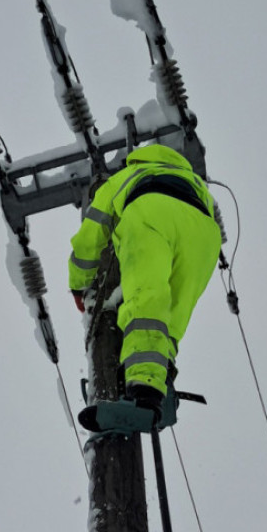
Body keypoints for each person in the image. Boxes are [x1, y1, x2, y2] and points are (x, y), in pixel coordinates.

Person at [68, 143, 222, 431]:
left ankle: (146, 390)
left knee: (147, 302)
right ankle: (159, 377)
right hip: (203, 233)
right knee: (171, 318)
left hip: (151, 211)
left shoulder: (127, 175)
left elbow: (90, 237)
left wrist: (79, 285)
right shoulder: (193, 180)